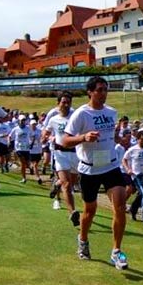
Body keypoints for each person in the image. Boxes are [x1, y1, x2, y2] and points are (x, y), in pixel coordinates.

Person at [64, 76, 128, 269]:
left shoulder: (112, 112)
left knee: (120, 205)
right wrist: (84, 137)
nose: (103, 93)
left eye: (105, 90)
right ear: (90, 92)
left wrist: (120, 140)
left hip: (110, 166)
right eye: (99, 90)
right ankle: (82, 239)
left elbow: (111, 135)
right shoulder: (81, 114)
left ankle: (116, 252)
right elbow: (65, 141)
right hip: (89, 169)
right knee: (89, 211)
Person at [42, 93, 80, 225]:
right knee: (67, 184)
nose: (66, 105)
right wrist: (47, 138)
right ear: (58, 103)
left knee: (73, 181)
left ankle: (56, 184)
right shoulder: (54, 119)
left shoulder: (75, 117)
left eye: (68, 102)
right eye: (63, 102)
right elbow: (46, 132)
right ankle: (72, 212)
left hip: (75, 154)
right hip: (60, 153)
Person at [123, 129, 143, 224]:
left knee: (142, 194)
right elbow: (124, 159)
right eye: (141, 139)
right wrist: (128, 169)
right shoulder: (132, 150)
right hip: (137, 175)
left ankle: (133, 208)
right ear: (137, 139)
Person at [9, 116, 33, 184]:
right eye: (22, 120)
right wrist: (9, 142)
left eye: (24, 120)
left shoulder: (28, 128)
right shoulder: (15, 129)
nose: (23, 122)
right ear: (19, 121)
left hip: (26, 148)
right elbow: (10, 136)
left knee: (27, 164)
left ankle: (29, 167)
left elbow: (32, 136)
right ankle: (24, 178)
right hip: (18, 148)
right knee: (23, 163)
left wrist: (31, 143)